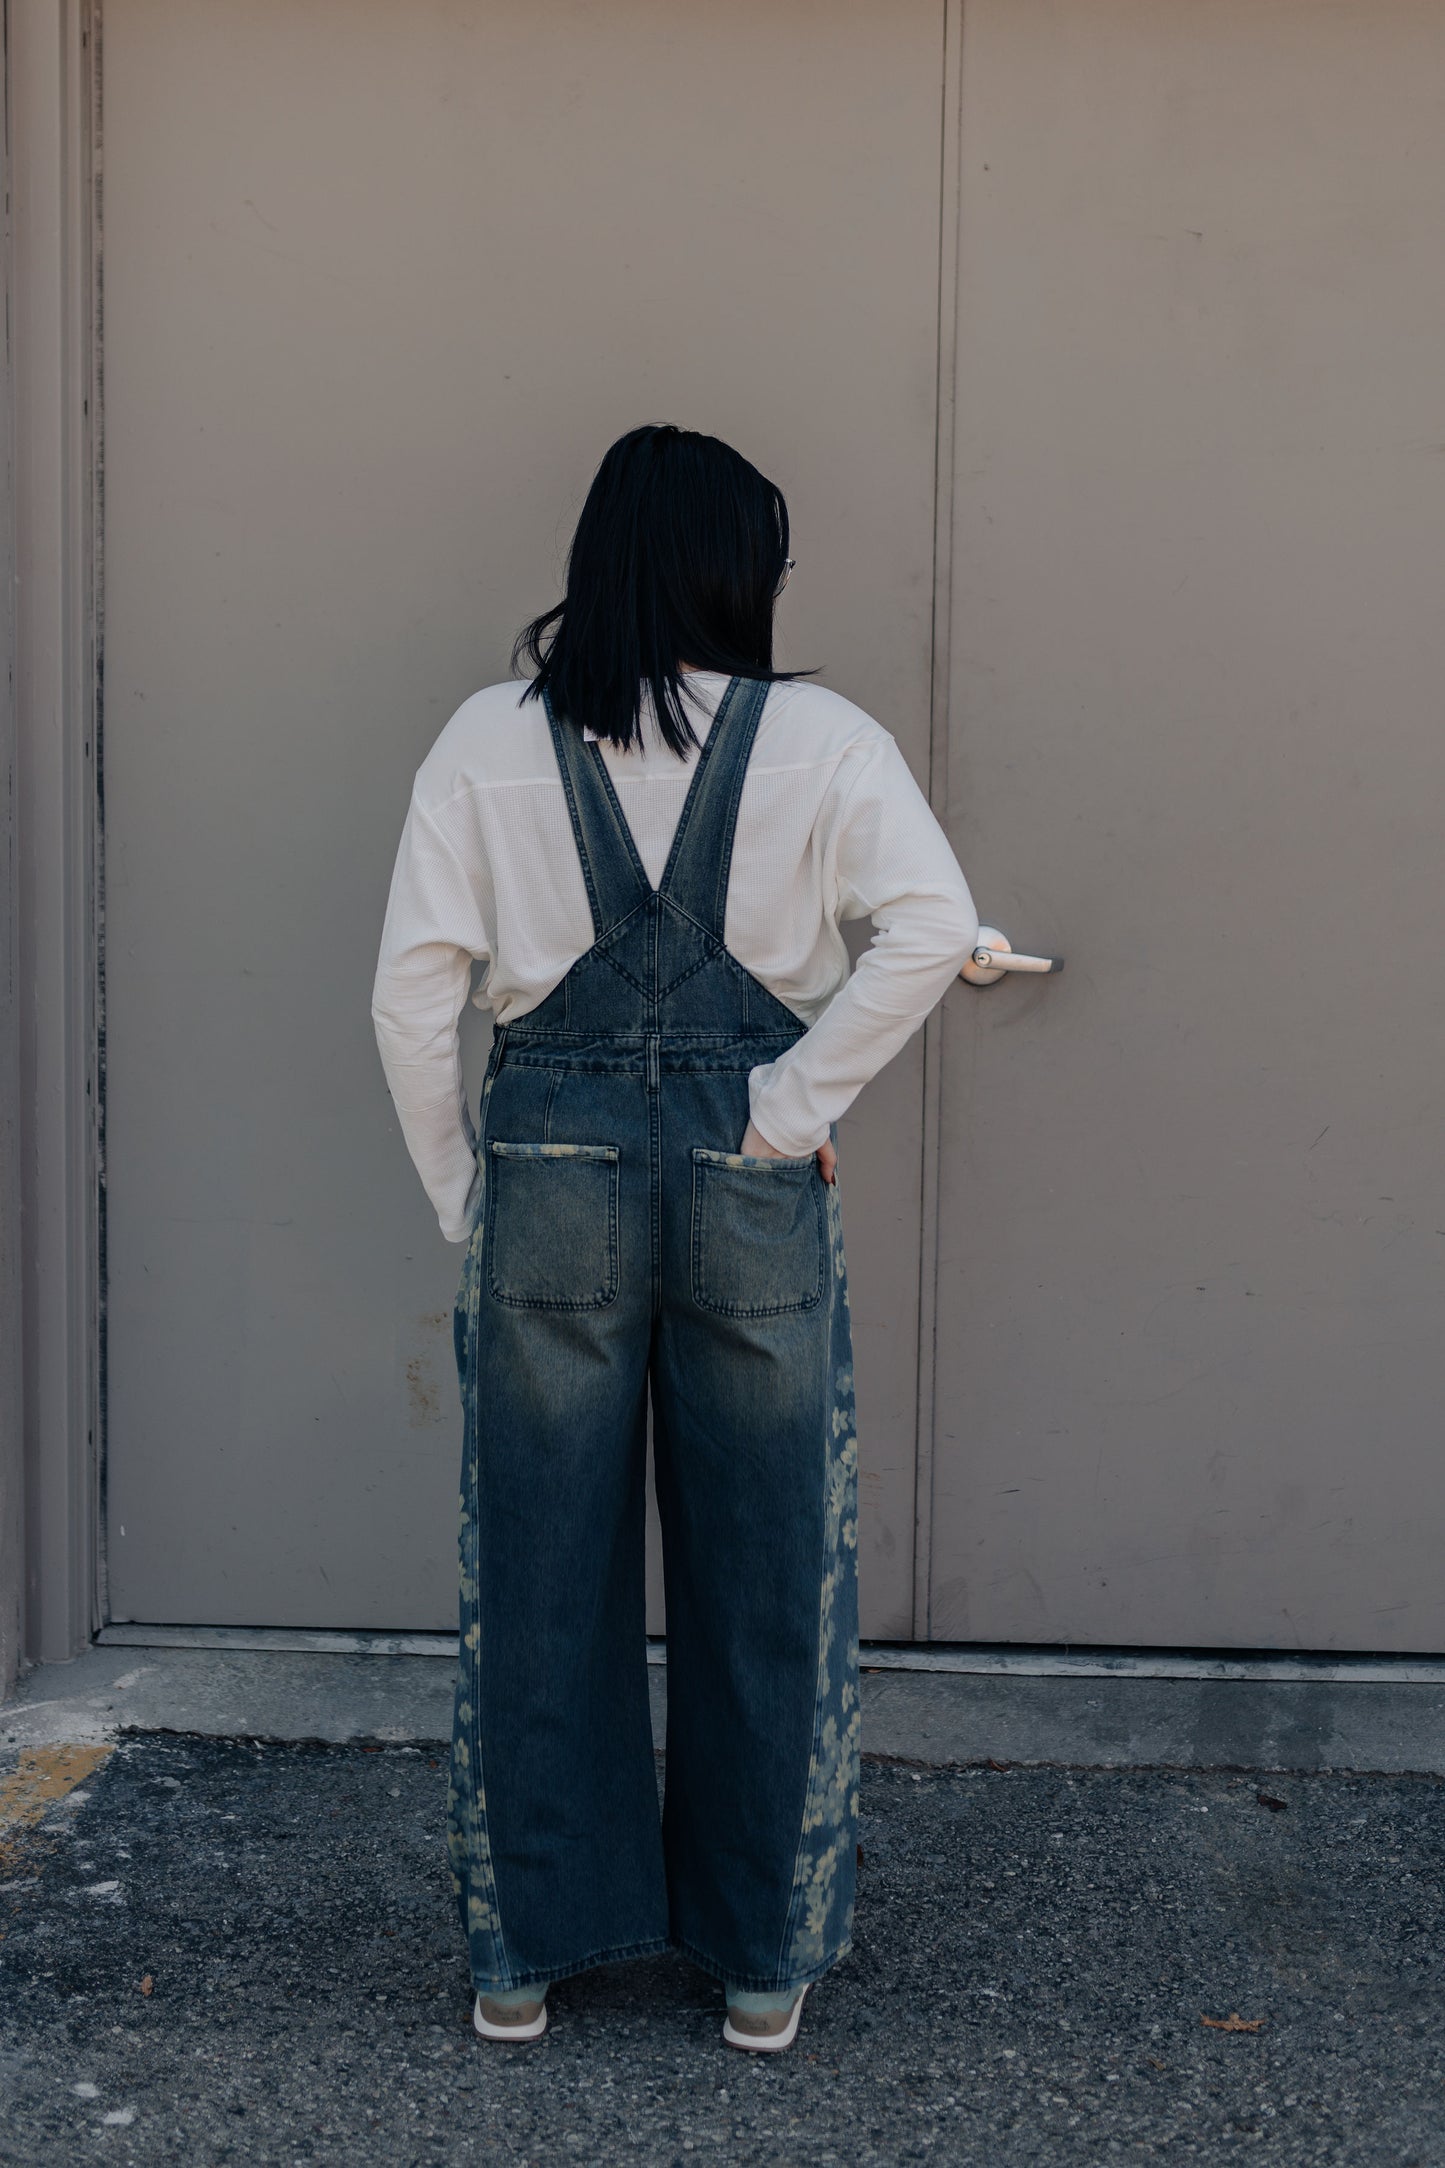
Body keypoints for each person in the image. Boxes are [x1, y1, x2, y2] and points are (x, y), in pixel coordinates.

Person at [370, 424, 978, 2053]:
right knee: (770, 1560)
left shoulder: (484, 743)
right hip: (747, 1180)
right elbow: (929, 926)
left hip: (547, 1172)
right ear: (733, 569)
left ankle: (520, 1959)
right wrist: (785, 1107)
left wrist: (461, 1195)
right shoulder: (824, 740)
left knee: (537, 1563)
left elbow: (412, 995)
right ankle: (761, 1965)